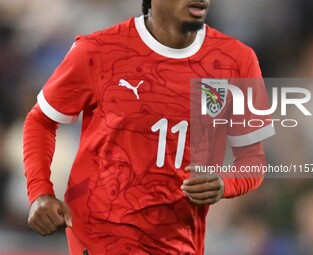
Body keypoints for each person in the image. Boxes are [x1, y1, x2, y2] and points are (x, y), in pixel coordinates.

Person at [23, 0, 275, 254]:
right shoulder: (98, 50)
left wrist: (225, 183)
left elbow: (253, 159)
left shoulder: (237, 60)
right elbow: (41, 120)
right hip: (100, 236)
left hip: (179, 242)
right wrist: (40, 192)